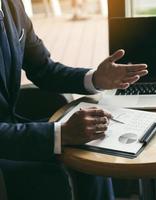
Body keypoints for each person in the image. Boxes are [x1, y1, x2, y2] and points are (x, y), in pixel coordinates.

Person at [0, 0, 148, 200]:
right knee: (51, 176)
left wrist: (95, 78)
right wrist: (60, 133)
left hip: (14, 128)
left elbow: (45, 70)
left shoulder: (11, 5)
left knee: (92, 153)